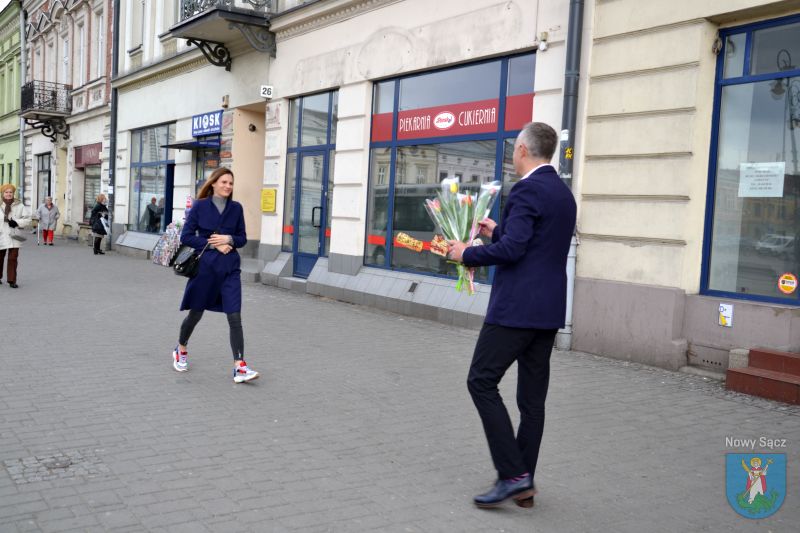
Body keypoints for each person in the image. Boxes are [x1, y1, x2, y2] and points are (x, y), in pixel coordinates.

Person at [447, 122, 577, 509]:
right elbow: (531, 242)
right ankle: (524, 485)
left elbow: (514, 251)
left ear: (522, 150)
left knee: (481, 381)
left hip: (516, 310)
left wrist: (466, 253)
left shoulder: (526, 189)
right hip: (548, 312)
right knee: (532, 403)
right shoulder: (563, 194)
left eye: (513, 148)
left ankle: (513, 475)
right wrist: (497, 230)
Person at [173, 167, 259, 383]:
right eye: (224, 182)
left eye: (231, 183)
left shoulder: (236, 208)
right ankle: (181, 348)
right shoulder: (200, 206)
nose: (228, 186)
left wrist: (229, 239)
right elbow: (186, 237)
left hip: (230, 269)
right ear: (213, 183)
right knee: (195, 314)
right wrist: (214, 245)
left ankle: (239, 366)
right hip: (205, 270)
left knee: (235, 316)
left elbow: (242, 238)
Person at [0, 184, 32, 288]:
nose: (8, 194)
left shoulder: (19, 205)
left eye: (10, 192)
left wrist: (17, 222)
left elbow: (28, 219)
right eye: (6, 192)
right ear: (3, 193)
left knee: (13, 258)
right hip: (1, 235)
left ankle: (12, 280)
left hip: (14, 235)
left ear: (13, 193)